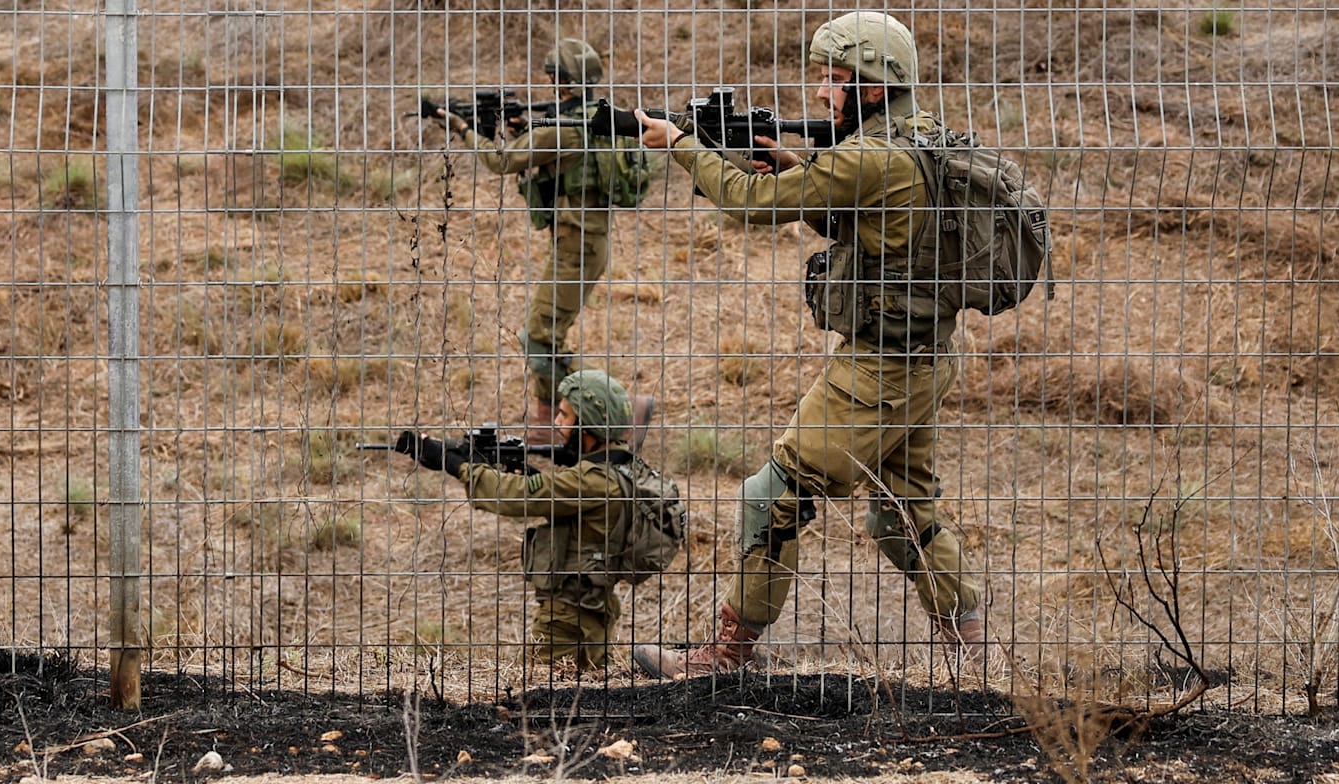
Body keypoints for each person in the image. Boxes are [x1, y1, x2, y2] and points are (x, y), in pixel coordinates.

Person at [628, 11, 985, 678]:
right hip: (926, 354)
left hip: (879, 368)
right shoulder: (921, 137)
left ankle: (728, 656)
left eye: (835, 80)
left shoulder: (866, 155)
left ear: (872, 88)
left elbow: (747, 204)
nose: (823, 93)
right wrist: (795, 165)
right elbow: (874, 216)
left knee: (772, 494)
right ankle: (974, 652)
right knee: (904, 513)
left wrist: (677, 142)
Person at [431, 38, 654, 449]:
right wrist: (524, 130)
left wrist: (461, 129)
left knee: (538, 337)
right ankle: (551, 422)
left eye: (553, 78)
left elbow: (500, 160)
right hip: (583, 242)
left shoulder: (565, 131)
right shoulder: (594, 119)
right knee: (547, 334)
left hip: (577, 246)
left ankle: (620, 413)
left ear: (561, 80)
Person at [395, 370, 666, 672]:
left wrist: (456, 464)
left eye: (565, 416)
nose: (557, 423)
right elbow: (582, 513)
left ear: (588, 425)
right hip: (592, 609)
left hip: (567, 619)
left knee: (537, 699)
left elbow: (514, 496)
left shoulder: (593, 480)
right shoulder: (622, 469)